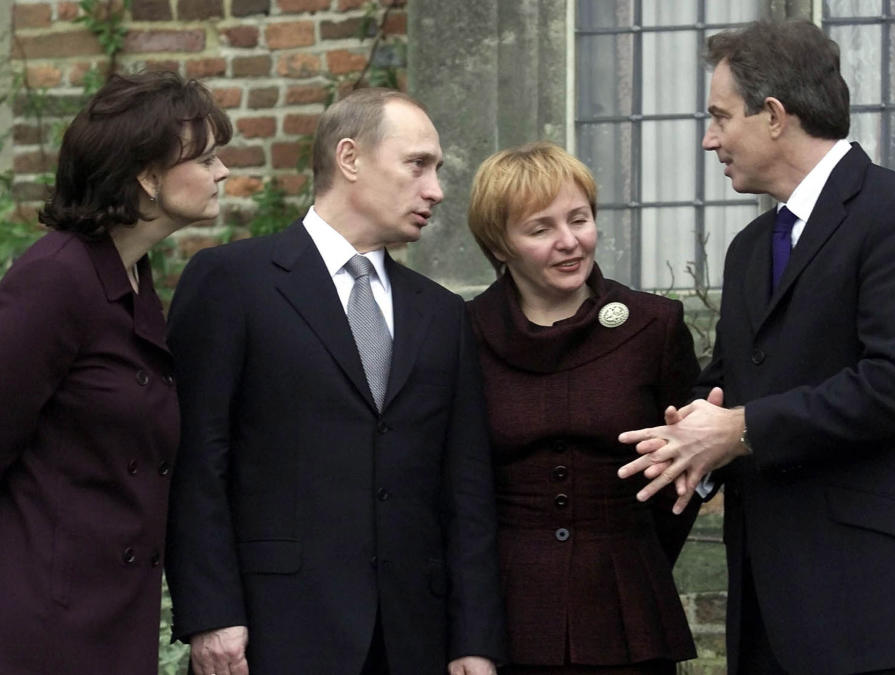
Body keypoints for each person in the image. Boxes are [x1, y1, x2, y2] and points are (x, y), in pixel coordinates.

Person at [618, 20, 895, 675]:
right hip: (768, 615)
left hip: (876, 615)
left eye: (719, 116)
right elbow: (726, 384)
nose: (708, 137)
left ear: (773, 115)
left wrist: (738, 429)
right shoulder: (751, 248)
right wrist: (689, 436)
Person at [164, 87, 506, 675]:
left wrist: (473, 641)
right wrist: (210, 613)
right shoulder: (232, 282)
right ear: (349, 158)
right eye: (417, 164)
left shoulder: (443, 313)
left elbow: (466, 489)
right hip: (273, 633)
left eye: (437, 170)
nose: (436, 190)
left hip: (413, 641)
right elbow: (197, 462)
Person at [0, 71, 231, 673]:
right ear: (148, 178)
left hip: (112, 618)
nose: (222, 172)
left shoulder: (134, 279)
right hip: (43, 624)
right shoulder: (54, 278)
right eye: (205, 158)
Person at [466, 141, 701, 674]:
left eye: (579, 219)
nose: (570, 242)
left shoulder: (653, 326)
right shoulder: (462, 333)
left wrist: (633, 555)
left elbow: (686, 476)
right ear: (500, 245)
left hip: (627, 607)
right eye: (540, 228)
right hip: (506, 611)